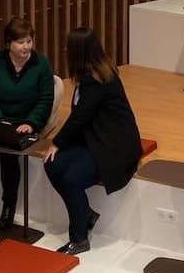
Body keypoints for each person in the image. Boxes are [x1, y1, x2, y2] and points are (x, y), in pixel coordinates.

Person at [44, 26, 143, 256]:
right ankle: (86, 214)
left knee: (70, 179)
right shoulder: (87, 76)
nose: (66, 49)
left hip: (115, 147)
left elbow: (80, 117)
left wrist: (57, 142)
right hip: (96, 139)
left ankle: (78, 238)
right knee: (51, 164)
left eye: (70, 46)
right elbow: (81, 118)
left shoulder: (97, 81)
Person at [0, 17, 55, 226]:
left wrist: (32, 122)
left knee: (9, 157)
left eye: (29, 41)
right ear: (9, 43)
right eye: (20, 42)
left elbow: (45, 100)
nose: (26, 46)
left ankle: (9, 206)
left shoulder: (41, 65)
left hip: (25, 122)